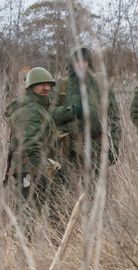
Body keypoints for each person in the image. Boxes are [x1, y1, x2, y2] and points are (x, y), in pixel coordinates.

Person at [51, 46, 121, 190]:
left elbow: (114, 117)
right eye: (77, 61)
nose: (81, 64)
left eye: (85, 61)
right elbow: (51, 115)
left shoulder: (100, 85)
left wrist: (114, 146)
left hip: (96, 147)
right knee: (69, 192)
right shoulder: (62, 86)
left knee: (96, 192)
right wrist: (73, 111)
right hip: (69, 150)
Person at [4, 67, 63, 235]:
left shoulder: (38, 107)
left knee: (29, 211)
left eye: (49, 85)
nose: (47, 88)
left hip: (33, 168)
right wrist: (41, 172)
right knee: (26, 214)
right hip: (30, 169)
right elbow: (30, 144)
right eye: (41, 85)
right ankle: (21, 252)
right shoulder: (29, 110)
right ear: (31, 87)